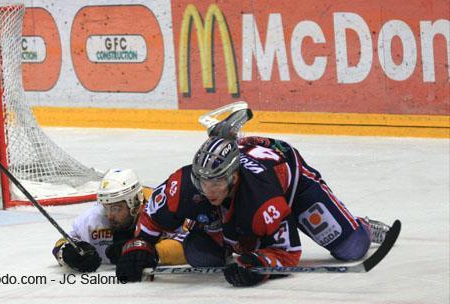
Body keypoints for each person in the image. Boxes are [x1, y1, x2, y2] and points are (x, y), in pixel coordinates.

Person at [115, 106, 392, 285]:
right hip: (247, 206)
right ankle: (244, 237)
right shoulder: (183, 185)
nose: (208, 189)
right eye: (203, 181)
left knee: (351, 248)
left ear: (234, 176)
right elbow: (151, 220)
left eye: (217, 182)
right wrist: (139, 248)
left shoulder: (262, 197)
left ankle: (361, 224)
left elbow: (288, 253)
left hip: (291, 184)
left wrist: (259, 266)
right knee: (199, 254)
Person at [53, 168, 187, 272]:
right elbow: (62, 242)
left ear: (134, 204)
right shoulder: (95, 217)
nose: (110, 216)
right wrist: (67, 253)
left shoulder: (163, 211)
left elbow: (189, 244)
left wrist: (146, 252)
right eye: (106, 207)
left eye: (116, 208)